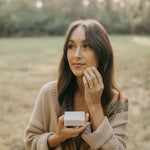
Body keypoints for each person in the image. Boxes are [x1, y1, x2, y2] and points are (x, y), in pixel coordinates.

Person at [24, 19, 128, 150]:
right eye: (71, 46)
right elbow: (30, 141)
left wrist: (95, 106)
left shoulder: (118, 102)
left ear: (102, 52)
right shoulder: (48, 92)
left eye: (86, 46)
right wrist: (58, 137)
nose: (76, 55)